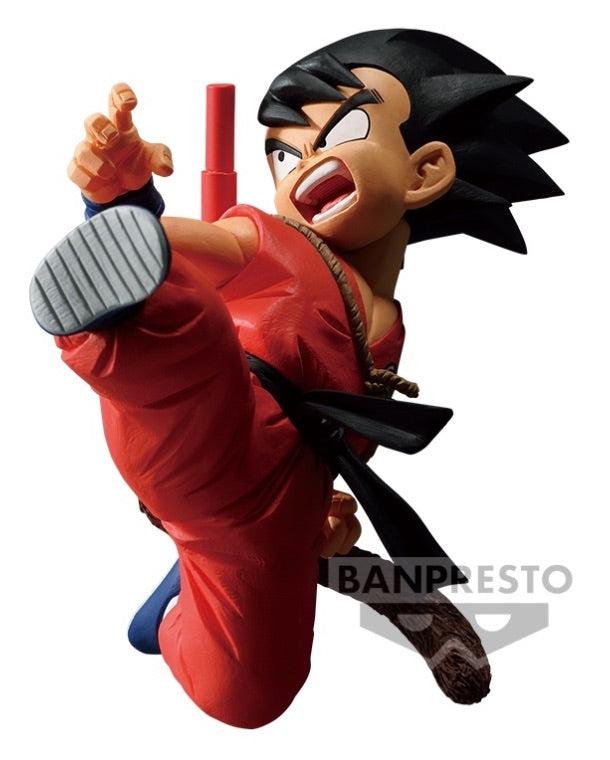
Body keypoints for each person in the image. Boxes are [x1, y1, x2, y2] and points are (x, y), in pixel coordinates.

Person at [29, 30, 566, 728]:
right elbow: (171, 243)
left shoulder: (386, 331)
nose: (302, 164)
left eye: (339, 134)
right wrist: (121, 200)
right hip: (206, 432)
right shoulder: (268, 241)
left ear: (426, 170)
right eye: (284, 154)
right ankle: (122, 325)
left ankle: (176, 611)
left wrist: (320, 516)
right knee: (189, 333)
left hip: (268, 508)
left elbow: (338, 434)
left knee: (253, 694)